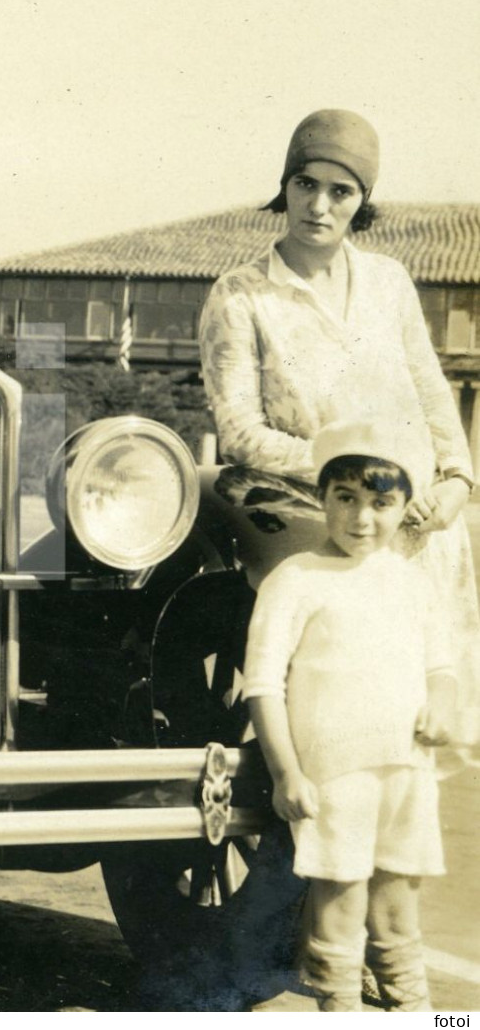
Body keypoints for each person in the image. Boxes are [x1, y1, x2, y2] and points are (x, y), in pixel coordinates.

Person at [199, 107, 479, 760]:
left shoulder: (389, 283)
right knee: (342, 731)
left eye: (340, 191)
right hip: (324, 526)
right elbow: (240, 432)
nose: (318, 206)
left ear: (363, 201)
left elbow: (433, 389)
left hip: (424, 531)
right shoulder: (240, 296)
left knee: (416, 744)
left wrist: (459, 479)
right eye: (304, 184)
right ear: (285, 186)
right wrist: (354, 477)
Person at [243, 420, 456, 1011]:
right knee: (338, 905)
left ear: (406, 506)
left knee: (396, 909)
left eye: (382, 503)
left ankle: (417, 1015)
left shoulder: (412, 583)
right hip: (335, 776)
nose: (363, 519)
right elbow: (263, 685)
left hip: (404, 773)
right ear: (322, 498)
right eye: (347, 499)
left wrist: (441, 700)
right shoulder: (295, 580)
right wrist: (287, 773)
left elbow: (442, 665)